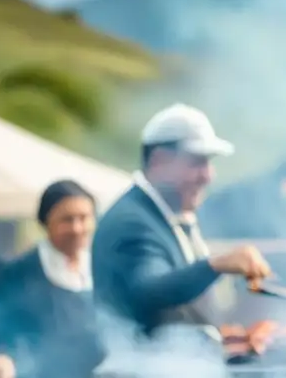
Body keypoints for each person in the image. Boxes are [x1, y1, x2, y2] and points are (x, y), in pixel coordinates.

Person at [91, 103, 272, 343]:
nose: (208, 175)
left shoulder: (162, 215)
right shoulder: (132, 222)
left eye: (209, 163)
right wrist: (217, 265)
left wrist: (216, 336)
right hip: (136, 374)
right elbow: (150, 290)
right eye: (197, 162)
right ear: (159, 162)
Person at [0, 180, 102, 378]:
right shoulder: (19, 271)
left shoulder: (103, 266)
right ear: (46, 222)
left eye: (84, 217)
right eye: (67, 220)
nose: (77, 228)